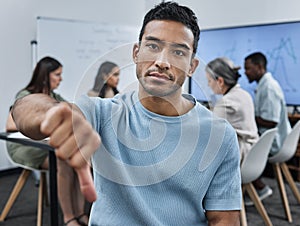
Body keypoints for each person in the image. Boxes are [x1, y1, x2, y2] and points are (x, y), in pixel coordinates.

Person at [11, 2, 242, 225]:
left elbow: (223, 219)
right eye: (152, 46)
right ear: (135, 53)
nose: (162, 61)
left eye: (178, 52)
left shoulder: (219, 135)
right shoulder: (101, 112)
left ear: (191, 66)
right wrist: (51, 112)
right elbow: (23, 110)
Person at [6, 56, 88, 226]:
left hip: (46, 146)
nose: (61, 79)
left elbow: (73, 114)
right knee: (63, 161)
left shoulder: (54, 96)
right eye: (57, 74)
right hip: (24, 148)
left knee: (78, 159)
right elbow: (10, 125)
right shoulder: (25, 96)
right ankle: (69, 217)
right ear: (45, 75)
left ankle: (80, 213)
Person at [244, 51, 291, 205]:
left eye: (248, 69)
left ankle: (260, 188)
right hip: (276, 139)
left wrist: (249, 117)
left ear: (259, 67)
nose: (245, 73)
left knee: (239, 148)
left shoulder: (269, 88)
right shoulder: (264, 85)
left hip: (276, 143)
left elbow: (271, 121)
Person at [205, 57, 259, 163]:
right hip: (254, 153)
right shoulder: (244, 94)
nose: (208, 85)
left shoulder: (225, 102)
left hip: (241, 155)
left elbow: (212, 134)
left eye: (209, 80)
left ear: (220, 81)